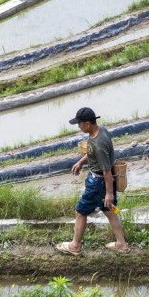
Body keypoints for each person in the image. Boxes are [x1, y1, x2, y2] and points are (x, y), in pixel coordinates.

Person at [56, 106, 130, 255]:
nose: (78, 126)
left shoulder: (99, 144)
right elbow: (91, 152)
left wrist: (109, 193)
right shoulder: (98, 131)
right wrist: (81, 162)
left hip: (98, 183)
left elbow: (107, 170)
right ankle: (122, 244)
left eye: (80, 124)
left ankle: (75, 246)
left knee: (80, 211)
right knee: (110, 211)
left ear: (87, 124)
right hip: (101, 181)